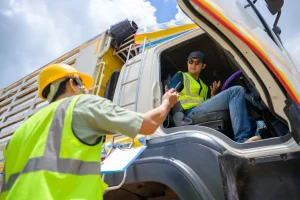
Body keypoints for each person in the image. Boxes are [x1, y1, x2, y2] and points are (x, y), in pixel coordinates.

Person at [0, 64, 178, 200]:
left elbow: (42, 166)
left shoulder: (20, 132)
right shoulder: (81, 104)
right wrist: (166, 103)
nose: (86, 89)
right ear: (72, 83)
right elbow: (148, 124)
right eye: (82, 84)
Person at [168, 51, 260, 143]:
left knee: (250, 121)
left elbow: (203, 103)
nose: (193, 65)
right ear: (187, 63)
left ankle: (241, 144)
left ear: (203, 66)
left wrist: (213, 95)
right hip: (188, 113)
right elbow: (170, 93)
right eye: (191, 62)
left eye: (197, 63)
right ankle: (242, 139)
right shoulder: (181, 75)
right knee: (236, 91)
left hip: (199, 111)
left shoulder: (204, 86)